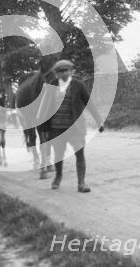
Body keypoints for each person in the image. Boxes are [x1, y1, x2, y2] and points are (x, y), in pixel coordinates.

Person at [37, 59, 104, 193]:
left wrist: (99, 121)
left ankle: (81, 183)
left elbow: (89, 103)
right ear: (56, 73)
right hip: (56, 128)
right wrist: (41, 124)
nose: (64, 73)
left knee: (80, 154)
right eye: (61, 71)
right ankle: (58, 176)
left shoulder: (78, 85)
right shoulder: (51, 86)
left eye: (66, 70)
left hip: (75, 128)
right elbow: (44, 107)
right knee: (58, 155)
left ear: (71, 71)